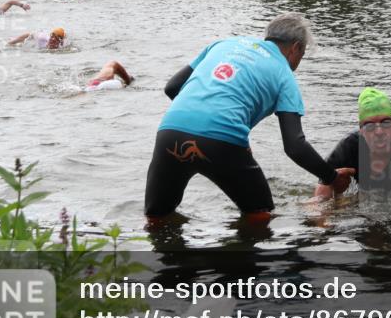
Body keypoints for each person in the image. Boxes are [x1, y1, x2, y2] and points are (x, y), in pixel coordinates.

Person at [144, 13, 353, 221]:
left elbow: (172, 88)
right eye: (302, 54)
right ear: (296, 48)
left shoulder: (222, 44)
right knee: (260, 215)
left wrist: (197, 120)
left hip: (170, 131)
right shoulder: (284, 73)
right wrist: (331, 177)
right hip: (223, 140)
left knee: (156, 217)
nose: (298, 62)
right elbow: (295, 146)